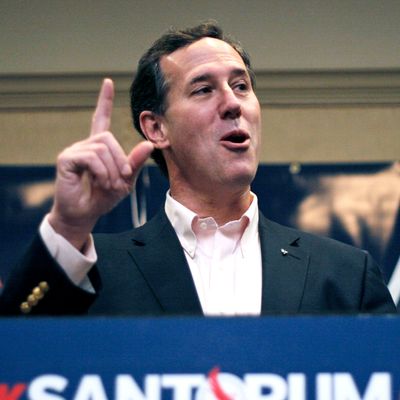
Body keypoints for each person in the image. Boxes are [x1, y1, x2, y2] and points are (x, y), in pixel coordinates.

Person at [0, 22, 396, 316]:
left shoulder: (345, 273)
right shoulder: (96, 270)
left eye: (241, 86)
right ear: (156, 127)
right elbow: (14, 353)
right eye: (204, 89)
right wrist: (68, 227)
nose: (232, 103)